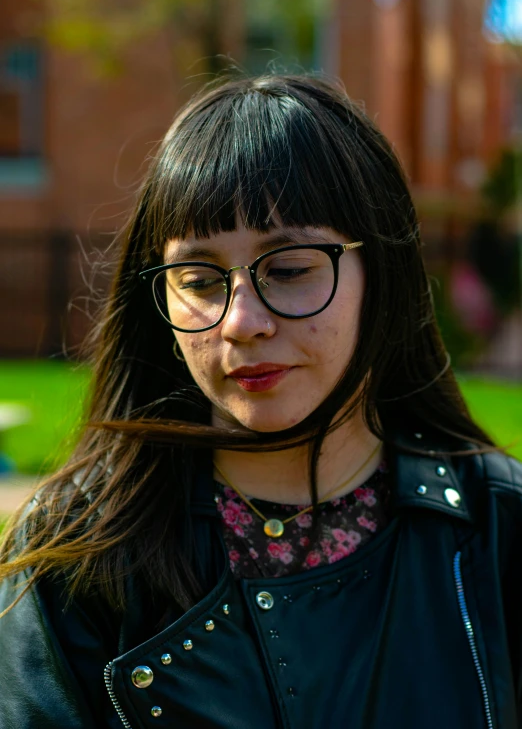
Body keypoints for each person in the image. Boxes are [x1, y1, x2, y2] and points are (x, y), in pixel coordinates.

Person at [0, 74, 521, 729]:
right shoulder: (78, 560)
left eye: (291, 268)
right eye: (198, 278)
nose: (241, 320)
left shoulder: (499, 532)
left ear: (382, 272)